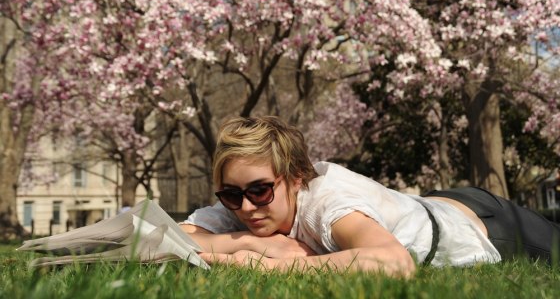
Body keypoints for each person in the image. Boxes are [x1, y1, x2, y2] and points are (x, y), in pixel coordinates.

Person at [180, 116, 560, 276]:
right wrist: (244, 242)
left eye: (261, 191)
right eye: (231, 195)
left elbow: (395, 263)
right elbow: (152, 235)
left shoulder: (329, 205)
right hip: (429, 202)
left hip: (486, 224)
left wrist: (271, 263)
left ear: (296, 179)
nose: (246, 207)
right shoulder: (244, 208)